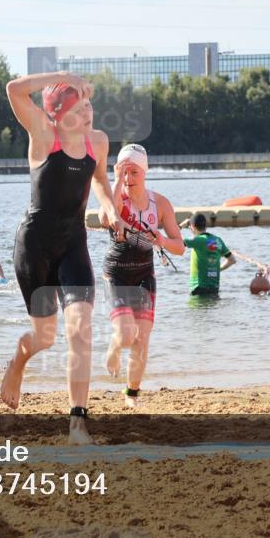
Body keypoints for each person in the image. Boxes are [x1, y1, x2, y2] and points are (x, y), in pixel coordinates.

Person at [0, 72, 122, 444]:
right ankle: (17, 363)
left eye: (88, 105)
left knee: (80, 330)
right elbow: (13, 90)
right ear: (57, 115)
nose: (88, 113)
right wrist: (62, 77)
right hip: (34, 247)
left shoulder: (97, 143)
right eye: (78, 109)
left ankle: (77, 423)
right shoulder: (43, 136)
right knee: (45, 337)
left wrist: (109, 206)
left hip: (73, 245)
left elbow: (100, 179)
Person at [102, 144, 185, 407]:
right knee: (125, 335)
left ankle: (131, 395)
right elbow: (106, 217)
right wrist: (115, 180)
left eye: (133, 172)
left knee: (142, 339)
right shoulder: (115, 197)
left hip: (144, 275)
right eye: (124, 172)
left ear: (145, 172)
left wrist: (160, 238)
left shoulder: (159, 204)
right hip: (116, 273)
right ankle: (114, 349)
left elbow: (180, 247)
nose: (129, 178)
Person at [182, 214, 234, 296]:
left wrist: (180, 226)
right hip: (214, 287)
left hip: (198, 287)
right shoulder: (217, 240)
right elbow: (232, 260)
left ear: (192, 226)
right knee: (211, 307)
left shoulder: (197, 240)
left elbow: (176, 243)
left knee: (197, 308)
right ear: (205, 225)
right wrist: (217, 269)